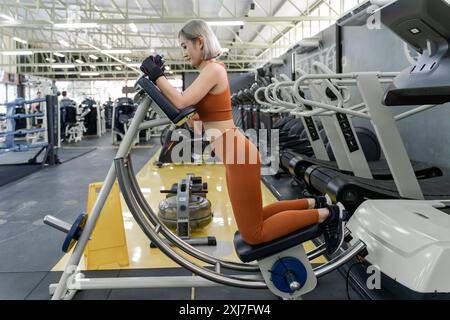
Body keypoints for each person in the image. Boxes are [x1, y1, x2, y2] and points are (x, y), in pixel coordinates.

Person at [140, 19, 345, 254]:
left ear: (200, 42)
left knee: (254, 233)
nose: (183, 53)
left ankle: (328, 215)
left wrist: (158, 77)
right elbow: (192, 118)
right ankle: (315, 203)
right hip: (235, 157)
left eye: (185, 46)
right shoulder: (206, 73)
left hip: (239, 157)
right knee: (255, 216)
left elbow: (182, 101)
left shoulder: (213, 70)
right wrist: (161, 83)